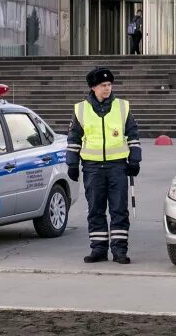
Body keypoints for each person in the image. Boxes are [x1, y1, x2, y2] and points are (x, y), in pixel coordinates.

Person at [66, 67, 141, 264]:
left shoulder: (122, 107)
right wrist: (72, 164)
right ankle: (98, 249)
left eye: (109, 85)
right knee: (95, 209)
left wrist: (134, 160)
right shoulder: (81, 109)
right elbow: (73, 139)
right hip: (92, 168)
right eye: (103, 85)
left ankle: (119, 251)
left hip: (118, 167)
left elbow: (133, 135)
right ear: (93, 87)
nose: (107, 89)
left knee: (118, 209)